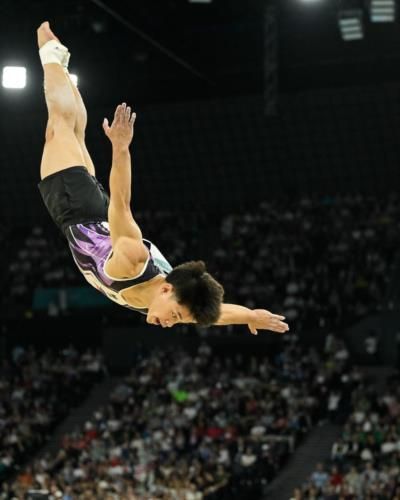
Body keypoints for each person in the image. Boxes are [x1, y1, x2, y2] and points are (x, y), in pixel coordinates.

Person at [36, 21, 289, 335]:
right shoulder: (132, 260)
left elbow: (220, 313)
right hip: (75, 209)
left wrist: (250, 315)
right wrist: (120, 149)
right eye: (177, 316)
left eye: (180, 320)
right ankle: (50, 54)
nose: (171, 323)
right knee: (59, 125)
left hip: (91, 211)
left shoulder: (179, 295)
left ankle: (60, 65)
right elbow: (122, 205)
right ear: (167, 291)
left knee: (75, 132)